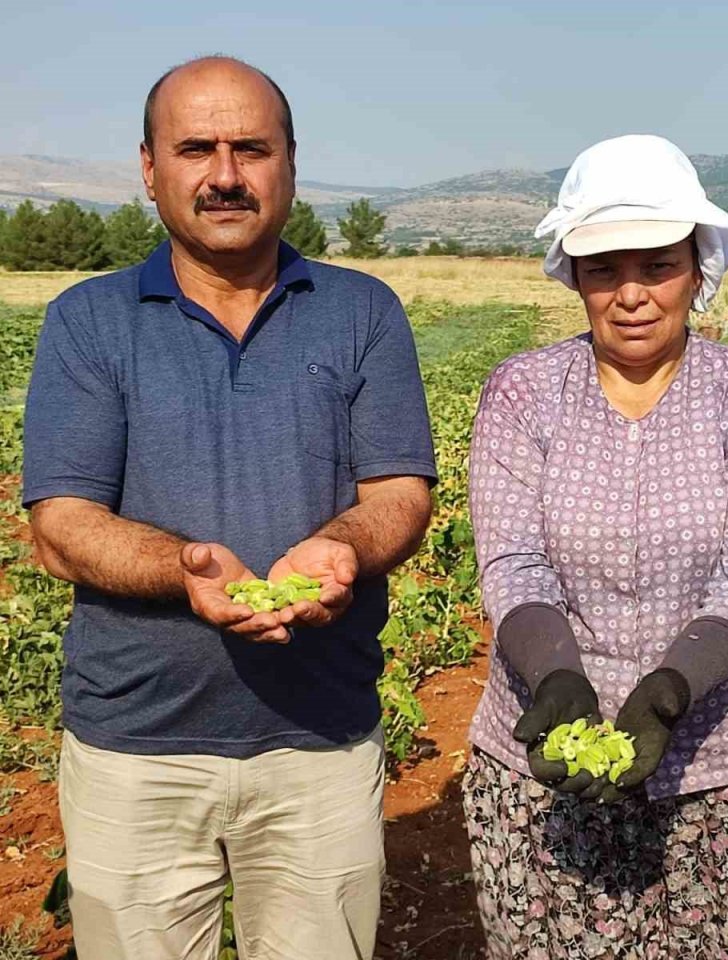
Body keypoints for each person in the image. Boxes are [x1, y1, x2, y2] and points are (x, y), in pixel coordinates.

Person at [22, 57, 437, 960]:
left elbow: (400, 492)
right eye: (196, 149)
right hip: (136, 748)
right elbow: (60, 524)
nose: (224, 175)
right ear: (148, 168)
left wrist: (340, 550)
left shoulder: (362, 311)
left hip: (319, 742)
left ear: (289, 162)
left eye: (250, 148)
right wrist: (186, 570)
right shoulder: (89, 321)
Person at [463, 134, 728, 958]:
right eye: (604, 270)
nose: (631, 295)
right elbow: (513, 561)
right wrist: (558, 677)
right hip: (553, 769)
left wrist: (670, 690)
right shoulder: (524, 393)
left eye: (657, 267)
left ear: (697, 269)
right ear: (575, 277)